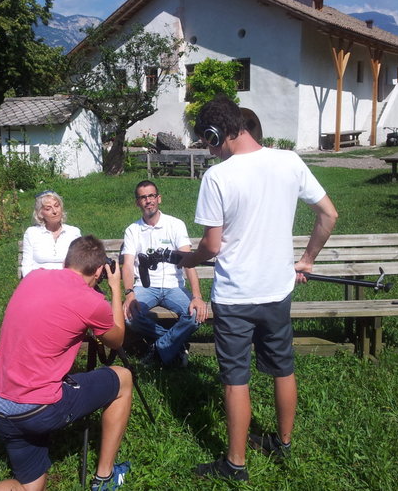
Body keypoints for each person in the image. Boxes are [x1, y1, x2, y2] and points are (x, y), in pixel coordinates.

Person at [178, 96, 338, 482]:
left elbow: (211, 247)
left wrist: (186, 260)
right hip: (277, 291)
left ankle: (235, 465)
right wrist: (308, 259)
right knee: (283, 368)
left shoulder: (217, 177)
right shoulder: (289, 160)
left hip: (235, 297)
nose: (208, 151)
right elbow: (329, 214)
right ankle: (283, 443)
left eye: (206, 142)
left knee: (236, 378)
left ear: (216, 135)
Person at [0, 235, 132, 491]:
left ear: (67, 260)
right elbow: (117, 339)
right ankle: (105, 478)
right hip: (38, 409)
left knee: (30, 487)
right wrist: (116, 287)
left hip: (1, 403)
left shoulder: (33, 277)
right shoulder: (91, 302)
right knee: (123, 379)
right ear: (99, 270)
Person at [122, 180, 208, 367]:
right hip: (145, 287)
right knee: (129, 318)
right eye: (143, 197)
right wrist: (129, 294)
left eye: (151, 196)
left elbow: (188, 261)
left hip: (173, 285)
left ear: (158, 198)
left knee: (196, 315)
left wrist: (197, 296)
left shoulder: (175, 225)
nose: (148, 201)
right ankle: (176, 345)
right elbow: (127, 265)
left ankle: (158, 348)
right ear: (138, 202)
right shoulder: (132, 230)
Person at [21, 190, 81, 277]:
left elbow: (79, 265)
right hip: (39, 282)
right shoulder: (32, 233)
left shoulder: (73, 232)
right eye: (48, 209)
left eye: (57, 206)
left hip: (66, 282)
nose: (55, 211)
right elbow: (26, 266)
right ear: (40, 213)